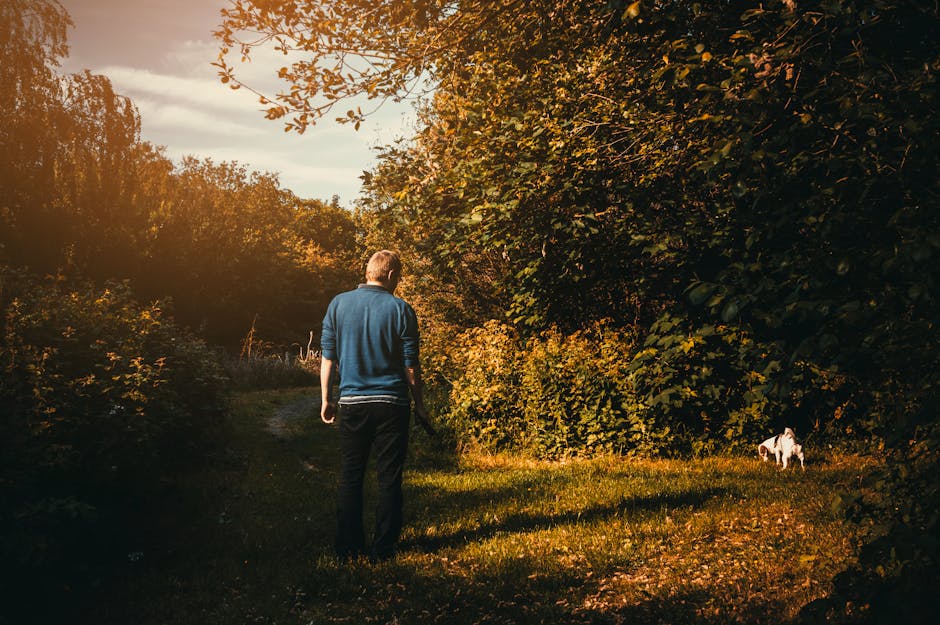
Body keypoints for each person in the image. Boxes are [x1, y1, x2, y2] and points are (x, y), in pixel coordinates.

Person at [320, 250, 429, 561]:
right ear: (392, 276)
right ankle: (383, 550)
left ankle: (347, 549)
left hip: (353, 403)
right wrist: (419, 403)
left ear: (368, 272)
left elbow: (328, 357)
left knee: (351, 475)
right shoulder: (401, 309)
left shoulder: (338, 304)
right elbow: (411, 365)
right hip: (392, 404)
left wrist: (327, 399)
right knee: (389, 477)